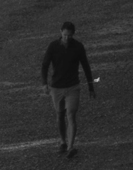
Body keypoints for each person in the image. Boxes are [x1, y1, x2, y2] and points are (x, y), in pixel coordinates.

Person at [41, 21, 96, 158]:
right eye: (65, 35)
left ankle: (71, 146)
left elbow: (86, 67)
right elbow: (45, 65)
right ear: (61, 32)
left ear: (73, 34)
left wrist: (91, 87)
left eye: (70, 35)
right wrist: (44, 83)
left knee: (71, 114)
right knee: (60, 114)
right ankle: (62, 142)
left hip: (73, 87)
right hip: (56, 87)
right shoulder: (53, 46)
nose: (67, 38)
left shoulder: (78, 47)